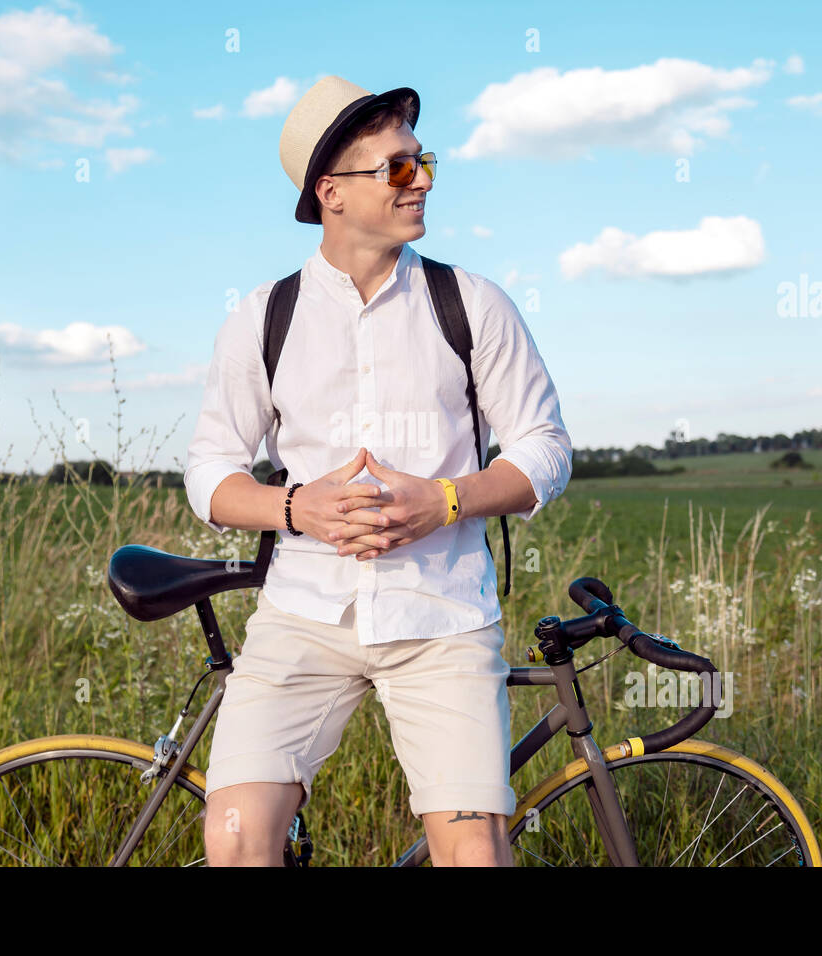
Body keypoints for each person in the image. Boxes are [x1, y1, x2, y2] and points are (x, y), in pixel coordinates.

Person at [183, 75, 572, 866]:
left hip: (444, 620)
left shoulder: (473, 302)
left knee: (474, 850)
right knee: (233, 838)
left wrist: (447, 500)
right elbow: (210, 472)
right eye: (396, 167)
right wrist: (299, 510)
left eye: (420, 161)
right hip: (302, 615)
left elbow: (546, 448)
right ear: (332, 191)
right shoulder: (264, 316)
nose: (421, 178)